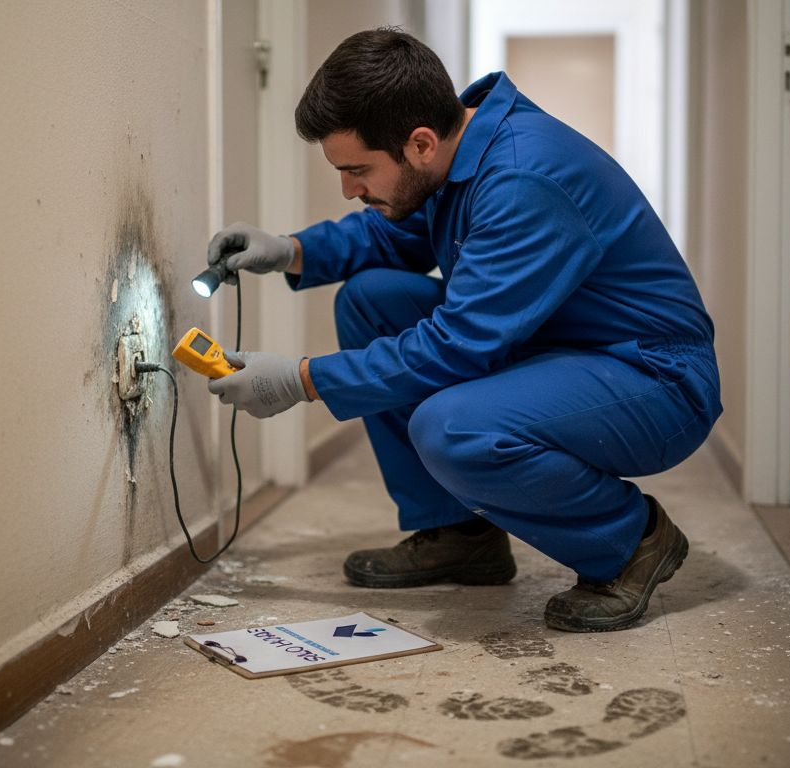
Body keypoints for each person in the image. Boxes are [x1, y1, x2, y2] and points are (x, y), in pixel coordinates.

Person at [205, 28, 722, 633]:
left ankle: (632, 540)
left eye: (357, 170)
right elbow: (389, 233)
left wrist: (300, 380)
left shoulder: (522, 179)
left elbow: (456, 346)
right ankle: (458, 534)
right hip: (556, 346)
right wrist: (287, 250)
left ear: (420, 143)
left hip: (653, 377)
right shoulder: (455, 151)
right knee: (371, 301)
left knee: (452, 428)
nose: (349, 190)